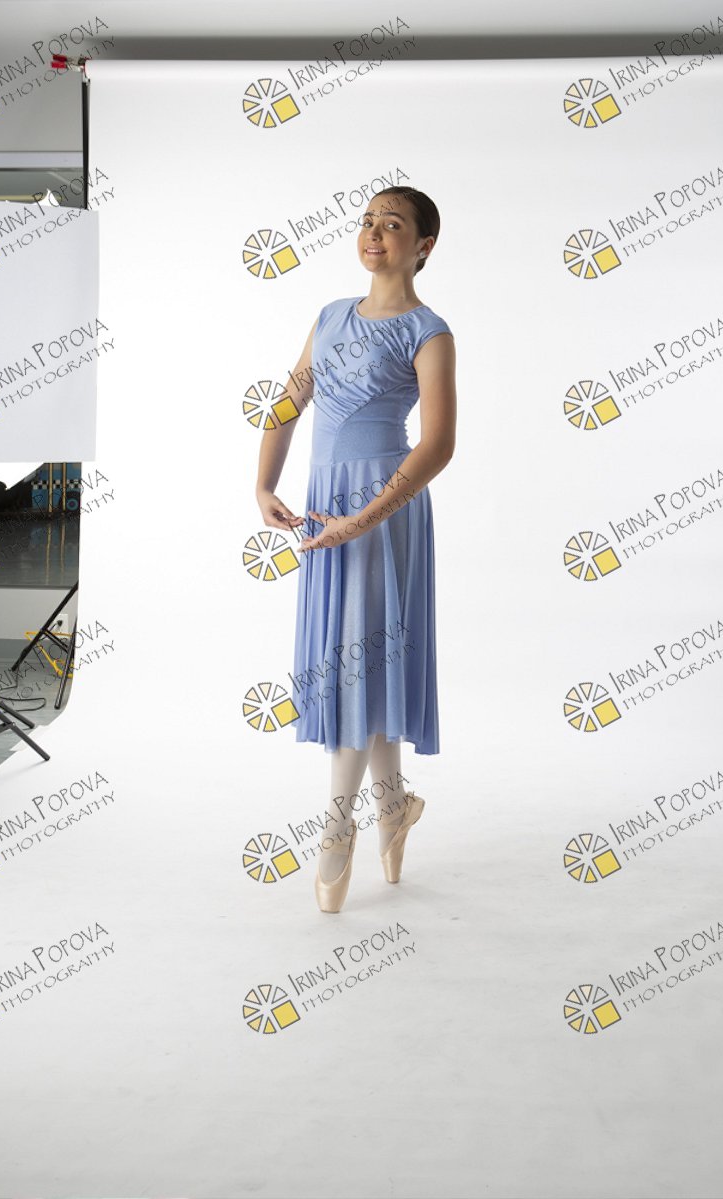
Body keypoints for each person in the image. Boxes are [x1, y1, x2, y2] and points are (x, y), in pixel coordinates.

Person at [256, 185, 457, 913]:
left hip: (384, 507)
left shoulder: (429, 331)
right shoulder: (330, 316)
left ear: (423, 246)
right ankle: (394, 804)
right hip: (324, 508)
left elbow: (438, 444)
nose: (374, 232)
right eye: (368, 221)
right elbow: (289, 401)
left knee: (356, 662)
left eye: (392, 224)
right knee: (355, 659)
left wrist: (364, 520)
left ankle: (337, 827)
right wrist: (263, 483)